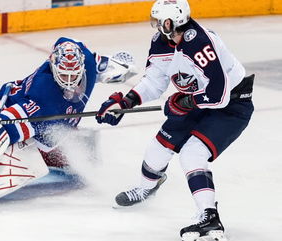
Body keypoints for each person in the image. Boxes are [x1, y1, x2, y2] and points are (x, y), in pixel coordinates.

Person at [95, 0, 254, 240]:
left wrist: (185, 103)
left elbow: (219, 94)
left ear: (172, 22)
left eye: (160, 21)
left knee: (192, 153)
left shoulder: (200, 43)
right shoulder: (160, 43)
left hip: (231, 104)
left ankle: (209, 217)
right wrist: (125, 102)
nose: (156, 25)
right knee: (159, 147)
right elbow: (154, 81)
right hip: (198, 99)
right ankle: (146, 189)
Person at [0, 37, 138, 213]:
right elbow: (9, 123)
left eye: (73, 75)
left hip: (58, 129)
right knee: (18, 162)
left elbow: (72, 45)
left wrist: (120, 71)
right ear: (53, 67)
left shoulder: (89, 64)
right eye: (63, 75)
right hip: (23, 112)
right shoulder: (44, 96)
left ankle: (54, 157)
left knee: (78, 153)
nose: (69, 81)